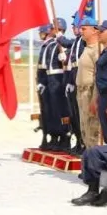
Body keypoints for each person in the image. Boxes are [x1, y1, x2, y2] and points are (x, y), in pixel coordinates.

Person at [46, 17, 73, 151]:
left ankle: (65, 135)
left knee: (62, 112)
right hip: (52, 80)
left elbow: (69, 61)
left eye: (54, 28)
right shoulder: (52, 44)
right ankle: (55, 135)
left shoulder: (63, 45)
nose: (51, 30)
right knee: (53, 111)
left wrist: (65, 57)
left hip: (60, 79)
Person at [74, 17, 101, 150]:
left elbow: (98, 77)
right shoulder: (87, 48)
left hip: (89, 93)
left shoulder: (97, 50)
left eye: (84, 29)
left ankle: (94, 165)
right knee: (84, 128)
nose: (81, 31)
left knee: (92, 129)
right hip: (82, 92)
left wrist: (94, 99)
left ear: (95, 30)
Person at [62, 14, 87, 154]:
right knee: (74, 115)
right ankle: (78, 141)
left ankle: (83, 143)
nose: (74, 28)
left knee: (80, 115)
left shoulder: (83, 41)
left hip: (80, 80)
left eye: (76, 25)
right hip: (73, 79)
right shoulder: (77, 41)